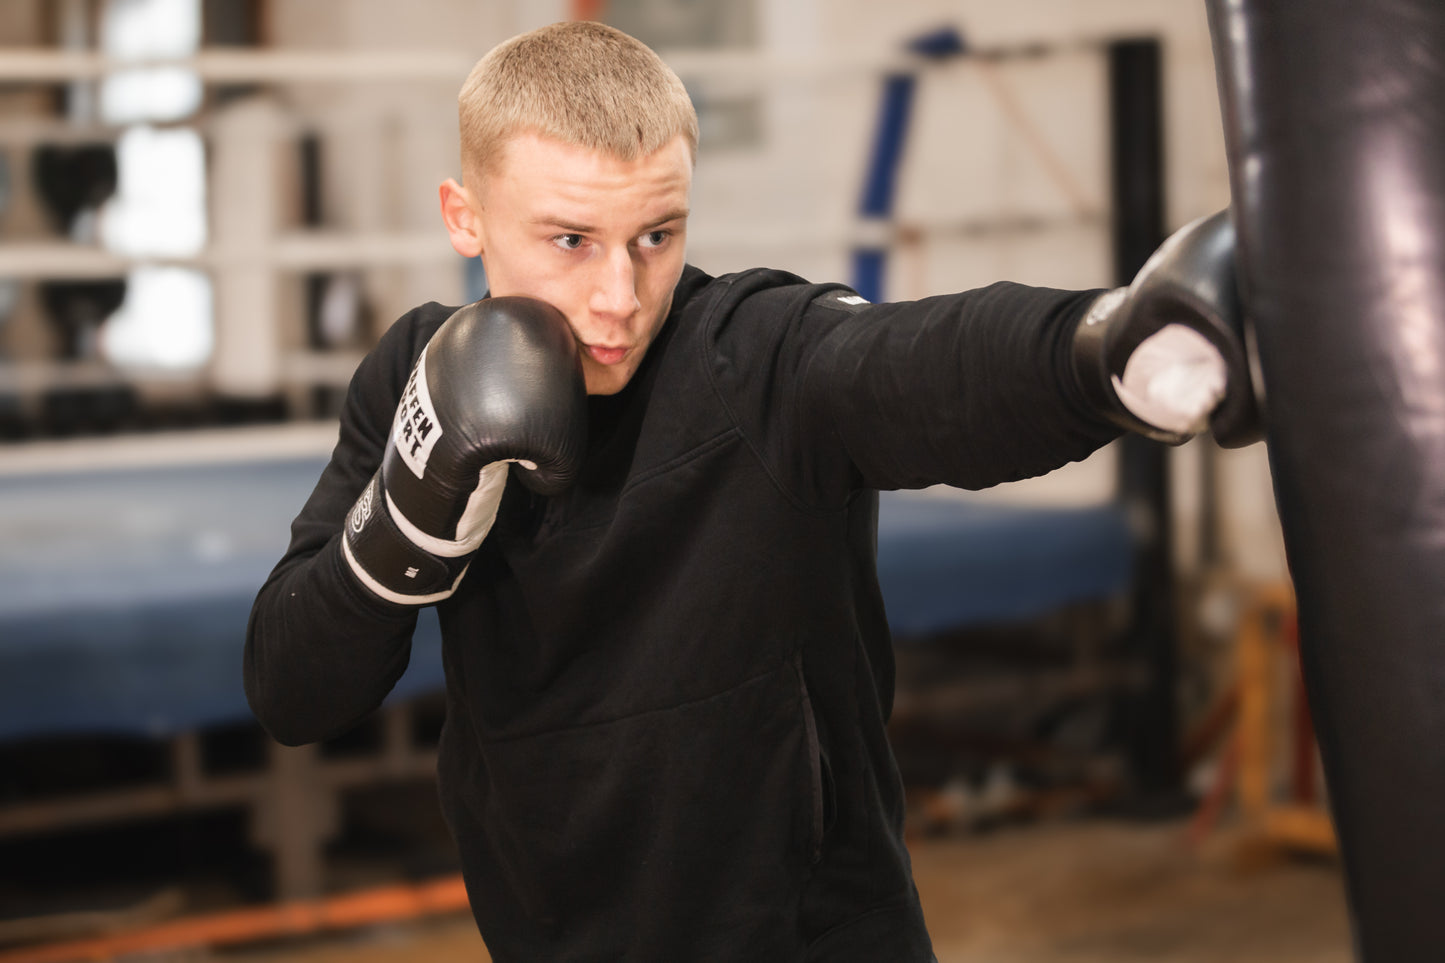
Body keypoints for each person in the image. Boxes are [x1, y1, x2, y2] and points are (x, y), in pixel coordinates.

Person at [245, 20, 1255, 962]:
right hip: (548, 935)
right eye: (569, 241)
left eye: (656, 234)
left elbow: (914, 364)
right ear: (464, 217)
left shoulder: (755, 356)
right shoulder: (413, 375)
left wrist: (1107, 352)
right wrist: (397, 538)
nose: (618, 298)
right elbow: (292, 691)